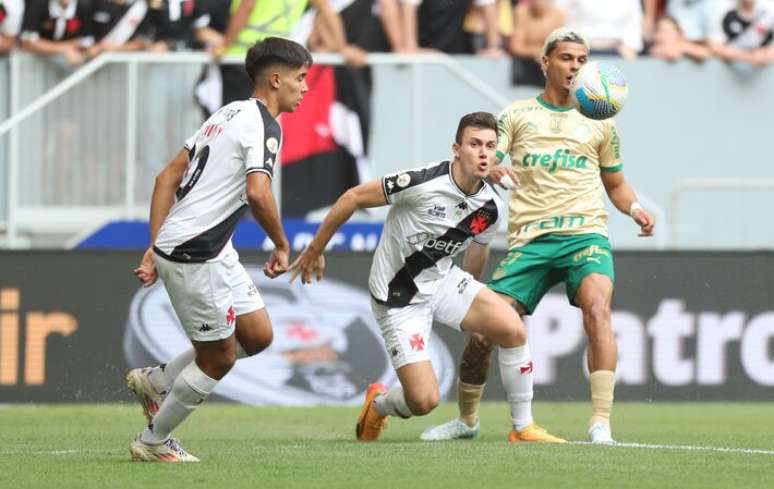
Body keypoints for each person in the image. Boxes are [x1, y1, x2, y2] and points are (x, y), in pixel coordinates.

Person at [420, 28, 655, 445]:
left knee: (598, 309)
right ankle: (467, 421)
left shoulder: (600, 121)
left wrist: (635, 208)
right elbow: (491, 157)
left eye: (582, 60)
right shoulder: (518, 114)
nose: (575, 67)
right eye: (566, 58)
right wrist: (493, 168)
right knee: (482, 334)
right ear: (545, 62)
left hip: (585, 235)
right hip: (529, 241)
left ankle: (600, 423)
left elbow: (616, 184)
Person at [289, 112, 565, 444]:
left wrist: (469, 302)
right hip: (398, 298)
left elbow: (477, 250)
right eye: (474, 144)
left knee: (512, 328)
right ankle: (378, 405)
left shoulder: (491, 205)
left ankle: (522, 428)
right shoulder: (421, 182)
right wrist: (316, 249)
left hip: (444, 282)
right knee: (424, 401)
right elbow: (353, 198)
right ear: (456, 149)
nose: (483, 153)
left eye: (490, 146)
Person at [127, 36, 312, 463]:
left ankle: (156, 382)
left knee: (257, 335)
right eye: (301, 79)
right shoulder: (265, 124)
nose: (305, 89)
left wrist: (153, 247)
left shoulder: (227, 113)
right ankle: (153, 442)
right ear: (276, 79)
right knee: (220, 358)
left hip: (207, 246)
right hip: (196, 251)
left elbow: (165, 178)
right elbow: (258, 192)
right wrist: (282, 244)